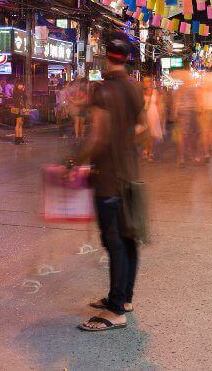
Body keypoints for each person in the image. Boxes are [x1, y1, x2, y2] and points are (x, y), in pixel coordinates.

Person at [76, 36, 145, 333]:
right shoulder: (134, 88)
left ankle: (116, 311)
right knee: (128, 238)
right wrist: (127, 145)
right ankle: (124, 298)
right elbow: (145, 127)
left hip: (108, 179)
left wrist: (74, 162)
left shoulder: (103, 91)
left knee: (114, 240)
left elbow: (98, 137)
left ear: (107, 56)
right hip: (130, 174)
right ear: (126, 58)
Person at [141, 76, 163, 162]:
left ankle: (150, 152)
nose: (147, 83)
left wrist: (160, 115)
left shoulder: (155, 92)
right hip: (145, 114)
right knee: (146, 134)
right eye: (145, 81)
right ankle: (146, 149)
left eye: (148, 81)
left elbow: (158, 104)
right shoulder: (141, 92)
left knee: (151, 134)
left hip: (153, 114)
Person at [12, 80, 28, 145]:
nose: (22, 86)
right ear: (17, 85)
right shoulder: (16, 92)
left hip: (21, 109)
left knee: (21, 124)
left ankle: (20, 138)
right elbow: (18, 102)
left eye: (22, 85)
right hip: (18, 109)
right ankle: (17, 139)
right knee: (18, 124)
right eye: (20, 85)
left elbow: (24, 100)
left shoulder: (21, 92)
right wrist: (22, 108)